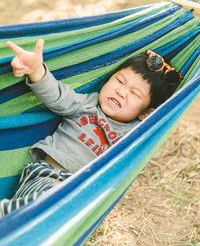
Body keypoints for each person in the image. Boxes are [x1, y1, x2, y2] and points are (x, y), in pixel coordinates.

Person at [0, 39, 183, 217]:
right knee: (47, 203)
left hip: (81, 195)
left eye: (135, 93)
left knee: (56, 218)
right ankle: (8, 216)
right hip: (48, 176)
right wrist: (36, 70)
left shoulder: (134, 135)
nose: (121, 91)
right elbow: (56, 95)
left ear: (145, 114)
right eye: (119, 81)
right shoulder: (86, 105)